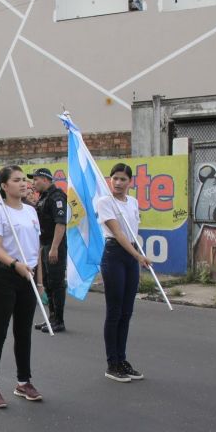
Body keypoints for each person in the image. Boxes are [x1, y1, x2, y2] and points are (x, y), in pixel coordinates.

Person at [0, 165, 44, 408]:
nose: (23, 184)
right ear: (4, 186)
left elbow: (36, 248)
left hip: (27, 276)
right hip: (6, 275)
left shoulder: (31, 211)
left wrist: (39, 280)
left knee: (24, 331)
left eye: (23, 180)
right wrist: (15, 264)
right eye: (16, 180)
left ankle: (23, 381)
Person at [96, 163, 153, 382]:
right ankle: (112, 363)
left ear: (130, 182)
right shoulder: (104, 202)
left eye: (123, 179)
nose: (118, 183)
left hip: (131, 254)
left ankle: (122, 359)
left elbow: (132, 232)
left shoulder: (133, 202)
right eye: (115, 178)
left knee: (127, 311)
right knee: (115, 310)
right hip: (115, 254)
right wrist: (138, 255)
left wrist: (136, 254)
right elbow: (118, 233)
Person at [29, 168, 67, 333]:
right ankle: (51, 319)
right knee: (47, 283)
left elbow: (60, 223)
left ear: (45, 179)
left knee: (56, 283)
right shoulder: (43, 197)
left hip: (54, 246)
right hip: (45, 245)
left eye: (35, 179)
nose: (33, 183)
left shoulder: (56, 197)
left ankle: (59, 320)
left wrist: (54, 248)